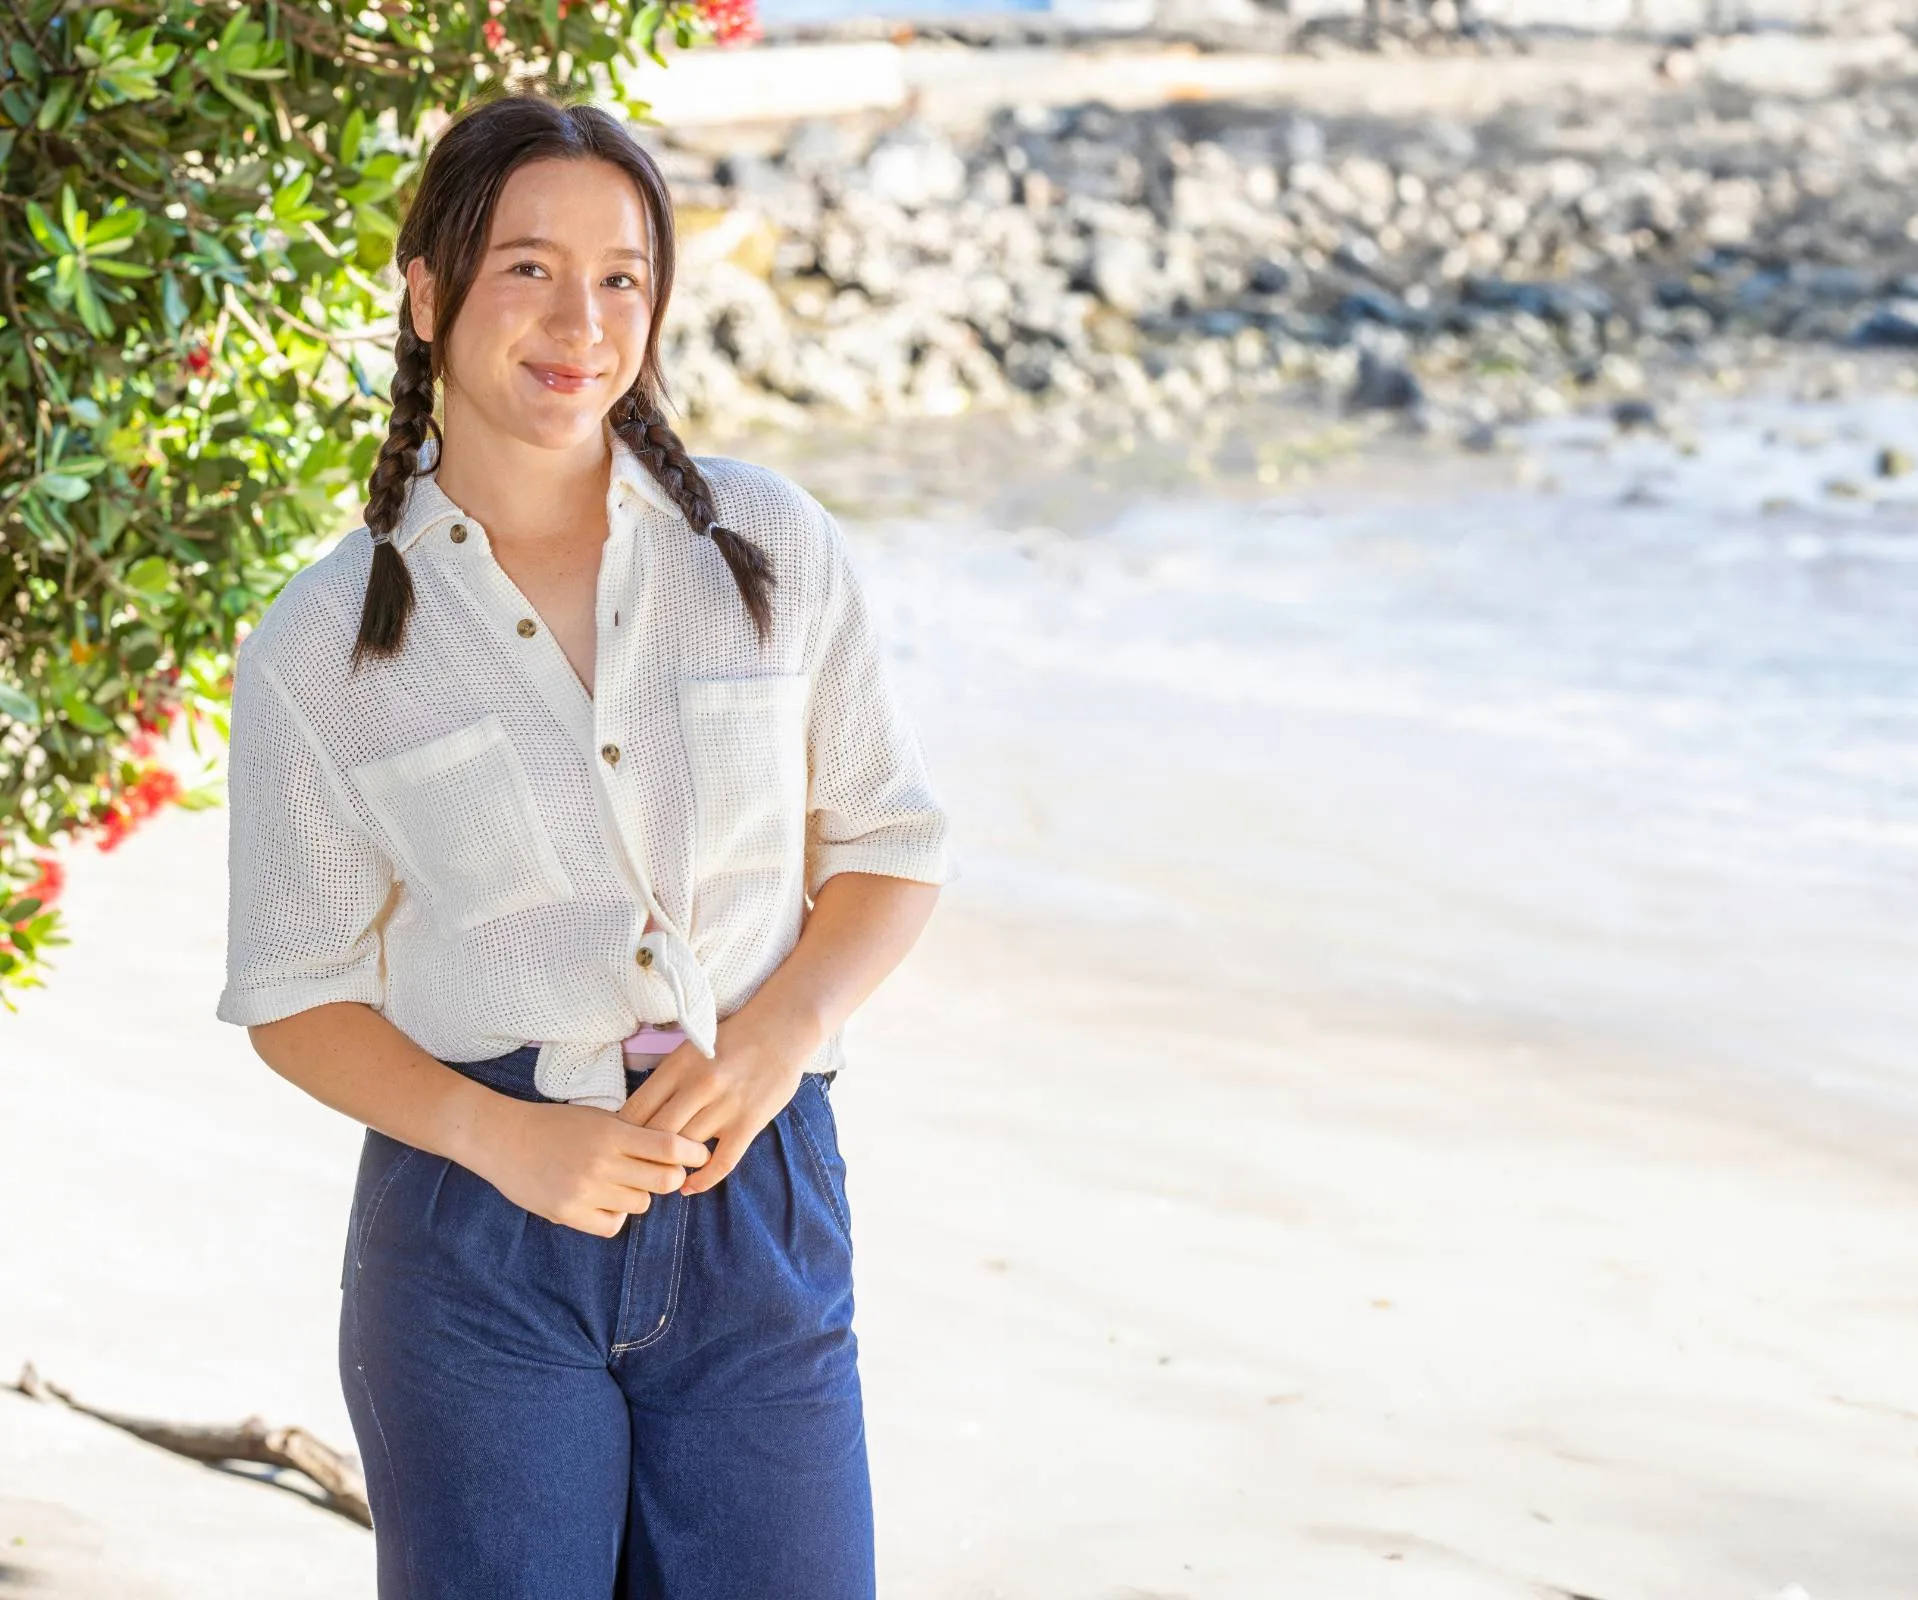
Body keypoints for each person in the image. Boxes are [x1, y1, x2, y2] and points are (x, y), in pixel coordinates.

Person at [216, 92, 950, 1600]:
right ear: (427, 293)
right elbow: (293, 993)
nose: (581, 320)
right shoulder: (324, 643)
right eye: (530, 269)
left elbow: (885, 842)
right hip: (476, 1230)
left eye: (622, 276)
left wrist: (778, 1034)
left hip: (757, 1196)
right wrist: (507, 1141)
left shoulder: (771, 552)